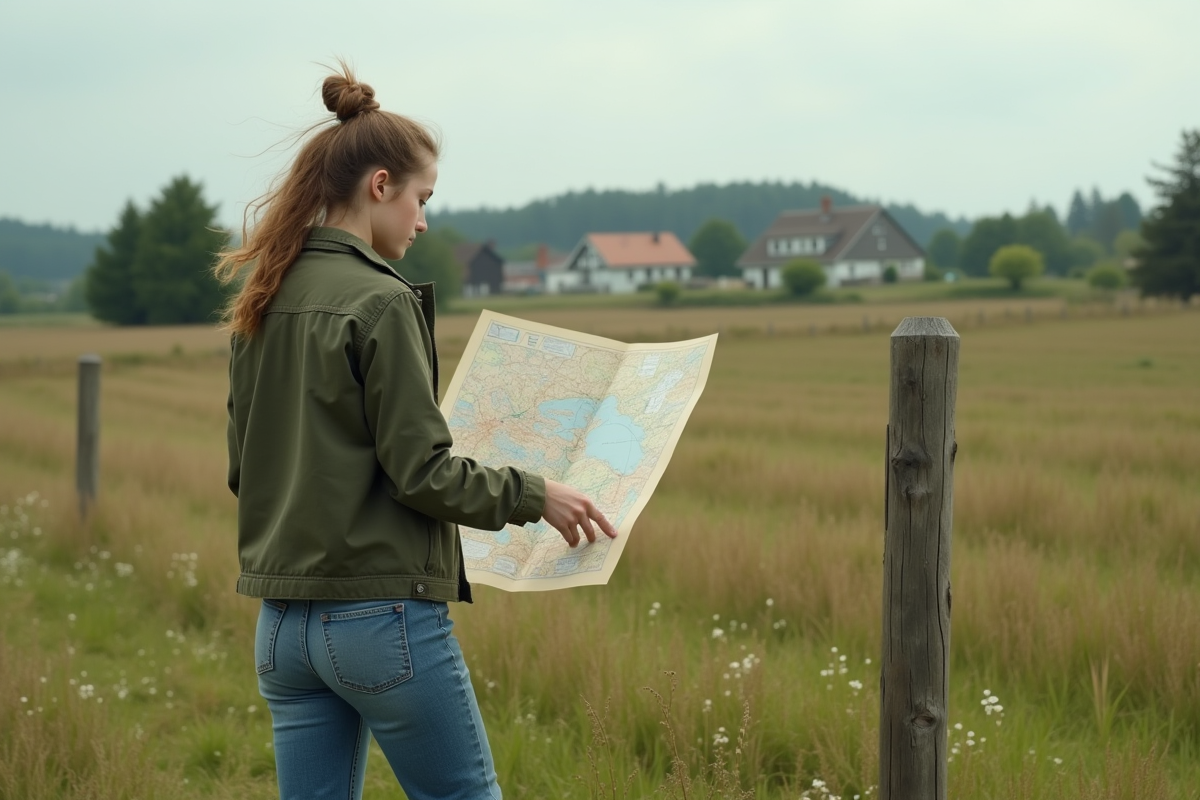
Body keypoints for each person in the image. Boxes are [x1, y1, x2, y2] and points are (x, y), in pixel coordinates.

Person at [214, 63, 616, 800]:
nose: (424, 219)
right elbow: (422, 473)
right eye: (421, 198)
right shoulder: (382, 301)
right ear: (379, 186)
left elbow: (245, 468)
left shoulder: (262, 298)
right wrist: (537, 494)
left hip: (280, 629)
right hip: (378, 620)